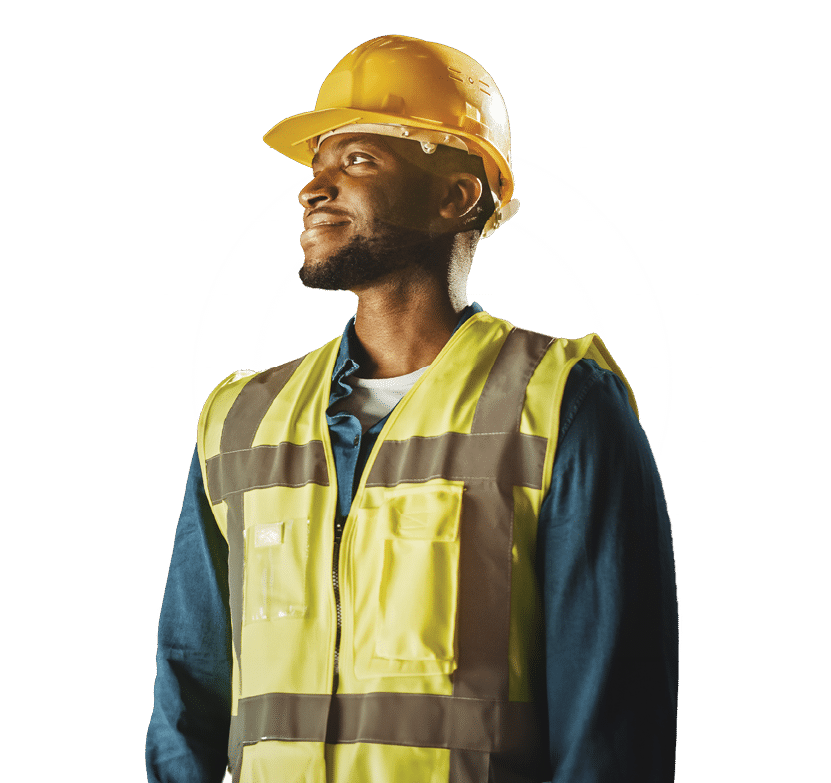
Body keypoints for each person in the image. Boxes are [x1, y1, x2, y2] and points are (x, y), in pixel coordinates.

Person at [145, 34, 678, 783]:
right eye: (316, 165)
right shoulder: (239, 421)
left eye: (358, 160)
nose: (313, 187)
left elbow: (610, 728)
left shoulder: (560, 403)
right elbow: (187, 694)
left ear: (455, 196)